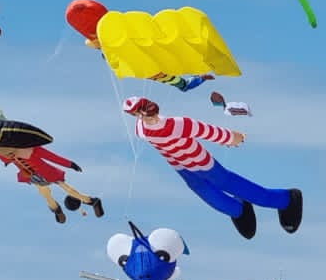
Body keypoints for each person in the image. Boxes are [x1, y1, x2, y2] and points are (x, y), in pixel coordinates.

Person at [123, 95, 302, 240]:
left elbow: (208, 131)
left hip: (202, 162)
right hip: (182, 168)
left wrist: (233, 138)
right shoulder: (141, 130)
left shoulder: (178, 124)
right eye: (146, 116)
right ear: (138, 116)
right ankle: (240, 210)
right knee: (211, 196)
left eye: (153, 114)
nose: (152, 119)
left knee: (233, 185)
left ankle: (286, 199)